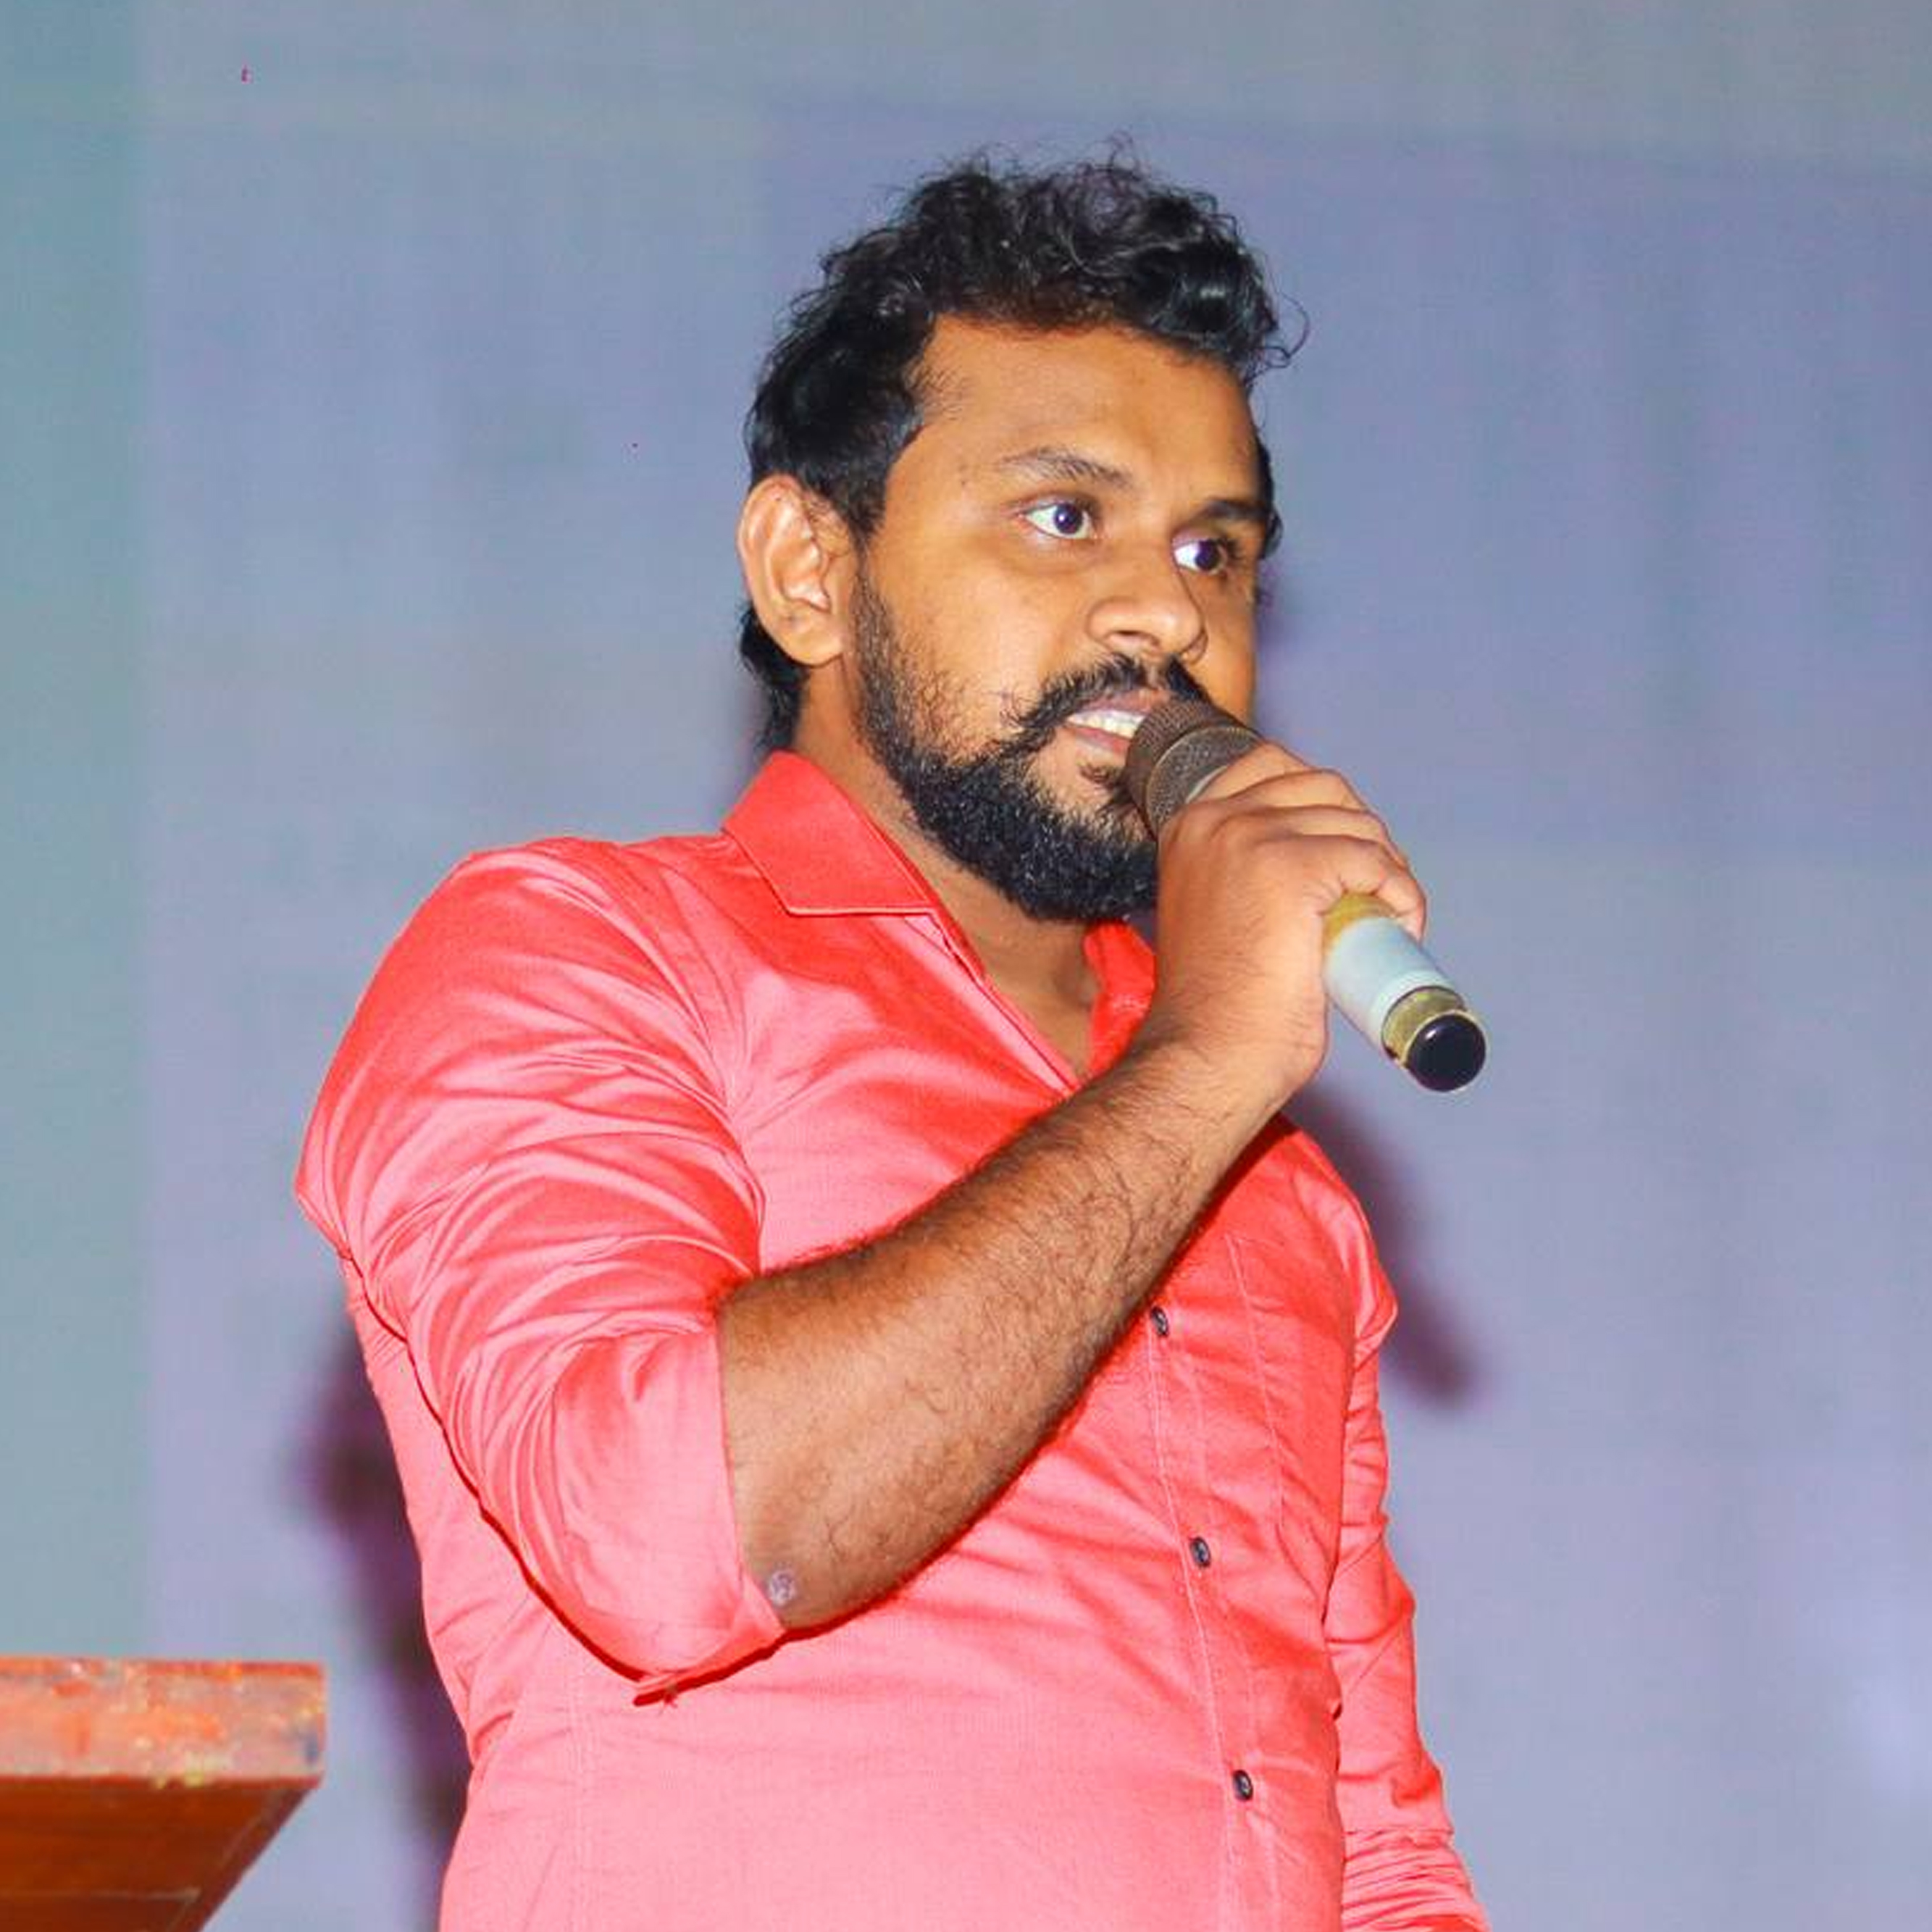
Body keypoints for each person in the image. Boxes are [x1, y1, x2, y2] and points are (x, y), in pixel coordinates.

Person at [298, 153, 1489, 1932]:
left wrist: (1201, 1076)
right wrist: (1199, 1068)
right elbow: (671, 1534)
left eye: (1213, 550)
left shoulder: (1279, 1183)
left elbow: (1372, 1838)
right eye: (1063, 516)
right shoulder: (579, 953)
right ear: (809, 571)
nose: (1166, 615)